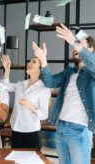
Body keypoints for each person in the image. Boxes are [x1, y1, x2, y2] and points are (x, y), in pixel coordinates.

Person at [32, 23, 95, 164]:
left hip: (79, 130)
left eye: (81, 45)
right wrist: (43, 59)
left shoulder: (92, 74)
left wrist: (74, 41)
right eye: (76, 45)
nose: (76, 47)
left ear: (91, 50)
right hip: (61, 128)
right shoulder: (69, 72)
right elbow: (50, 82)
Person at [1, 55, 51, 149]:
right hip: (16, 131)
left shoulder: (44, 89)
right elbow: (4, 87)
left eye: (34, 62)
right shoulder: (21, 84)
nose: (29, 63)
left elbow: (44, 115)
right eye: (29, 61)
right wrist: (7, 70)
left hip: (32, 133)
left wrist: (31, 106)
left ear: (41, 69)